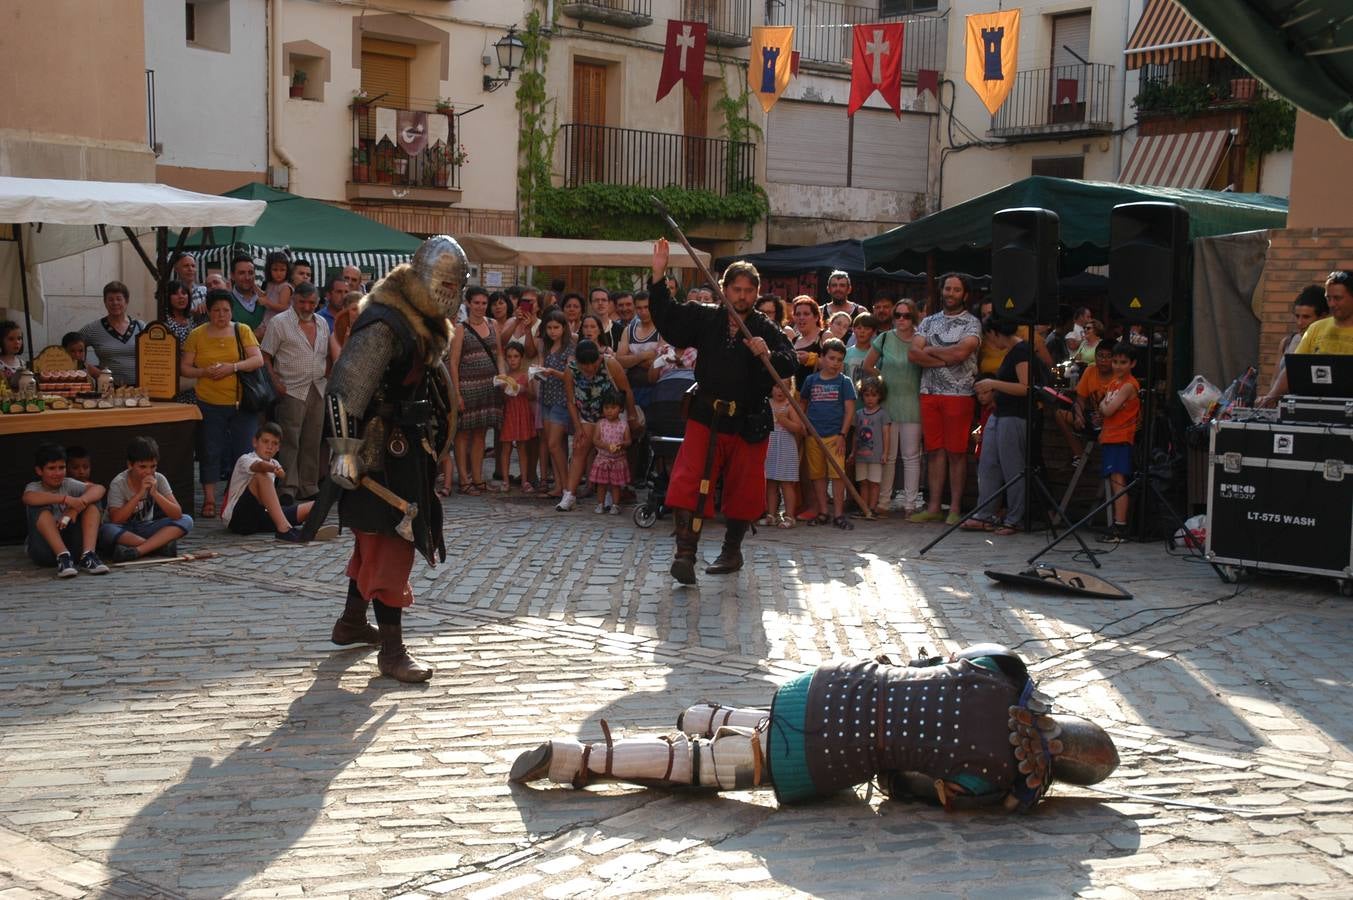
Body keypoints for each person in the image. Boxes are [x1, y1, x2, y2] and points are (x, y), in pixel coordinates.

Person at [509, 644, 1120, 817]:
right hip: (831, 754)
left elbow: (930, 663)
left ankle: (708, 715)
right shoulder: (1002, 783)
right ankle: (576, 758)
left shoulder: (1006, 671)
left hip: (833, 681)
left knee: (793, 721)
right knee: (711, 767)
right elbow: (904, 786)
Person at [317, 235, 463, 683]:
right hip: (377, 454)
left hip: (403, 447)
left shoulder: (417, 318)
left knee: (373, 541)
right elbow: (344, 390)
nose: (452, 294)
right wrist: (344, 452)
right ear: (425, 280)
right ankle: (393, 652)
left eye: (456, 286)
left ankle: (351, 623)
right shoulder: (387, 322)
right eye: (446, 284)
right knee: (391, 544)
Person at [648, 239, 797, 582]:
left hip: (748, 420)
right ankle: (685, 554)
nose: (742, 296)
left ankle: (732, 551)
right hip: (706, 415)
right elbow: (669, 319)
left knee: (744, 490)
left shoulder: (765, 328)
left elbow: (789, 361)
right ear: (724, 289)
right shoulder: (706, 317)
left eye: (748, 291)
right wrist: (658, 274)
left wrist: (768, 354)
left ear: (756, 293)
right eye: (736, 289)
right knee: (689, 483)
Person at [180, 289, 266, 519]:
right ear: (208, 311)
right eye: (216, 310)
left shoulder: (242, 330)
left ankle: (237, 497)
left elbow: (257, 359)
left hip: (241, 403)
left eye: (226, 310)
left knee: (243, 452)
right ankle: (209, 499)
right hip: (209, 402)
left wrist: (232, 367)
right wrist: (203, 372)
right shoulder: (197, 334)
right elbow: (185, 367)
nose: (221, 315)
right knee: (210, 451)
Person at [909, 274, 981, 526]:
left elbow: (962, 353)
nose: (950, 293)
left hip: (959, 394)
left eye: (956, 289)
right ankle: (934, 507)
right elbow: (913, 354)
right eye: (947, 288)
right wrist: (944, 359)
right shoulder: (928, 321)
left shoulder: (972, 323)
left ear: (965, 294)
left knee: (956, 453)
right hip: (929, 392)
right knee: (934, 451)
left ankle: (956, 508)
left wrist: (930, 350)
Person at [964, 317, 1038, 536]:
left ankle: (1014, 518)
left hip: (1015, 415)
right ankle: (984, 514)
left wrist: (993, 383)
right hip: (1000, 413)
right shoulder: (1011, 352)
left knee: (1012, 467)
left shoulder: (1022, 351)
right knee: (988, 464)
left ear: (994, 333)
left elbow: (1026, 387)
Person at [261, 279, 331, 503]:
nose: (307, 307)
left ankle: (308, 485)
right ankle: (288, 487)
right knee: (290, 440)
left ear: (318, 302)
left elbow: (327, 355)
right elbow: (265, 355)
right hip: (291, 388)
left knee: (312, 439)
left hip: (317, 387)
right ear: (293, 300)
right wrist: (275, 382)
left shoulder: (322, 323)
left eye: (312, 303)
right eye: (302, 302)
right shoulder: (279, 322)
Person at [555, 340, 640, 511]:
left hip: (612, 416)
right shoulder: (570, 370)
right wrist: (578, 427)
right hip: (587, 415)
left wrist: (631, 415)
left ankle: (610, 493)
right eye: (585, 365)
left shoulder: (610, 364)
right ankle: (569, 495)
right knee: (579, 449)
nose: (589, 368)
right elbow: (571, 401)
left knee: (612, 454)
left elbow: (626, 390)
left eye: (593, 364)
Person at [862, 298, 923, 514]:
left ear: (913, 317)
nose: (901, 319)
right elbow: (867, 364)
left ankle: (910, 503)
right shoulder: (885, 338)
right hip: (888, 402)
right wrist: (883, 379)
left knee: (911, 456)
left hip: (913, 404)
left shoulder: (921, 340)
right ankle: (884, 502)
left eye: (906, 315)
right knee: (887, 455)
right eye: (897, 315)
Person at [1261, 271, 1353, 405]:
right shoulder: (1316, 328)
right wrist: (1271, 396)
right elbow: (1293, 370)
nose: (1332, 304)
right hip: (1315, 407)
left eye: (1338, 298)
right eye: (1328, 298)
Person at [223, 422, 327, 540]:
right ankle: (284, 529)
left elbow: (282, 474)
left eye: (274, 443)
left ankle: (310, 529)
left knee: (315, 505)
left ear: (278, 448)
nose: (269, 447)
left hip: (262, 515)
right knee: (261, 475)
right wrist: (273, 469)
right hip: (239, 518)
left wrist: (278, 470)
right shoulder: (245, 459)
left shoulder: (275, 463)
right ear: (255, 442)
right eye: (265, 441)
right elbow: (259, 466)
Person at [450, 286, 505, 496]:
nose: (480, 307)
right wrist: (457, 394)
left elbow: (499, 354)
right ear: (468, 303)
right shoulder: (460, 329)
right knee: (463, 435)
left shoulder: (493, 324)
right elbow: (453, 363)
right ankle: (465, 480)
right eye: (476, 303)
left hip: (488, 388)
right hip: (467, 388)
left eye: (484, 303)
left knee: (481, 434)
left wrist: (502, 377)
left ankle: (478, 478)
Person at [103, 436, 194, 561]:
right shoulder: (119, 483)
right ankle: (158, 547)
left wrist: (155, 494)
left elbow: (177, 514)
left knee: (187, 520)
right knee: (106, 530)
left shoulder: (159, 478)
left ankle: (138, 550)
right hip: (122, 529)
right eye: (142, 467)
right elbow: (116, 519)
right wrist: (139, 494)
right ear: (130, 465)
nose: (148, 472)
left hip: (145, 526)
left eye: (153, 466)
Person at [24, 443, 110, 576]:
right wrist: (65, 499)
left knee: (92, 501)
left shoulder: (68, 483)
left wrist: (75, 508)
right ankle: (63, 557)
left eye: (61, 467)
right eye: (51, 468)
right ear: (39, 471)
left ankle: (88, 556)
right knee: (37, 506)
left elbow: (99, 488)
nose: (58, 473)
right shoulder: (34, 487)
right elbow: (28, 498)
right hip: (45, 551)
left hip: (74, 549)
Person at [802, 339, 857, 530]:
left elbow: (849, 410)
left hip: (835, 436)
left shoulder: (844, 382)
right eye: (831, 358)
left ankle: (839, 514)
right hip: (814, 436)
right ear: (822, 358)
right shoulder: (811, 380)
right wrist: (804, 425)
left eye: (839, 360)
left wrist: (843, 434)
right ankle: (823, 511)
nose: (835, 363)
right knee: (817, 475)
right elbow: (803, 404)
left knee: (838, 475)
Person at [1097, 343, 1141, 544]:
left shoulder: (1129, 385)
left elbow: (1107, 409)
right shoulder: (1114, 383)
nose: (1118, 366)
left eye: (1123, 362)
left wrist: (1104, 406)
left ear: (1132, 363)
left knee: (1118, 482)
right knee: (1114, 480)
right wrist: (1104, 406)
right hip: (1110, 435)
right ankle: (1117, 523)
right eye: (1115, 362)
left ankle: (1120, 526)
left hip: (1121, 437)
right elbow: (1103, 405)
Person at [536, 309, 576, 502]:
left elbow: (570, 375)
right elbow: (541, 368)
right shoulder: (545, 346)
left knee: (553, 443)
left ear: (563, 328)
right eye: (549, 328)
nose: (552, 331)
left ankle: (568, 486)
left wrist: (552, 372)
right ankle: (560, 485)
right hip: (546, 398)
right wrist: (538, 372)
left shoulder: (569, 348)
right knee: (555, 445)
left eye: (556, 327)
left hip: (561, 399)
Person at [1263, 285, 1328, 400]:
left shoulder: (1330, 343)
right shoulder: (1287, 342)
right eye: (1297, 316)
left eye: (1306, 317)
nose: (1299, 322)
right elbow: (1275, 380)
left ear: (1322, 317)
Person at [1057, 342, 1113, 463]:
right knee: (1060, 414)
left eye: (1108, 356)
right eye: (1100, 356)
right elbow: (1080, 399)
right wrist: (1079, 415)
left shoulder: (1119, 375)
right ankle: (1079, 455)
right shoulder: (1090, 370)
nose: (1103, 360)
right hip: (1093, 419)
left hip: (1112, 422)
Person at [81, 281, 145, 386]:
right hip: (107, 389)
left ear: (126, 301)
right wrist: (88, 368)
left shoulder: (141, 327)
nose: (115, 303)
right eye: (110, 299)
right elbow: (69, 350)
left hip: (139, 389)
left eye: (119, 299)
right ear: (105, 302)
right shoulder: (93, 329)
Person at [760, 382, 803, 528]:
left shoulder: (790, 405)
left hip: (785, 448)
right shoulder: (767, 403)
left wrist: (784, 421)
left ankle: (790, 516)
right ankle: (771, 514)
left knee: (786, 483)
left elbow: (798, 427)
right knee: (770, 482)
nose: (780, 390)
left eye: (784, 387)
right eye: (777, 386)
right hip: (770, 447)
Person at [497, 343, 537, 494]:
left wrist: (523, 389)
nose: (512, 360)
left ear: (521, 358)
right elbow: (502, 399)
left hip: (522, 412)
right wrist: (503, 388)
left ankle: (524, 480)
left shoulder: (526, 375)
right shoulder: (504, 377)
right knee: (506, 447)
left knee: (522, 447)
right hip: (509, 413)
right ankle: (505, 480)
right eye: (509, 357)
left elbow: (532, 395)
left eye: (516, 356)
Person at [852, 376, 892, 520]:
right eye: (867, 395)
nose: (870, 398)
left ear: (880, 396)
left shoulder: (882, 414)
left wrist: (885, 453)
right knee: (863, 482)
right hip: (861, 455)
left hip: (876, 456)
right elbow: (856, 434)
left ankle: (873, 508)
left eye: (874, 395)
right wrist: (853, 452)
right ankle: (864, 508)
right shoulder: (858, 414)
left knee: (874, 483)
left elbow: (886, 435)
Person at [587, 391, 631, 515]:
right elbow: (595, 440)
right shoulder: (601, 424)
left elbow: (628, 441)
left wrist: (621, 445)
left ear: (620, 408)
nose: (609, 411)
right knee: (601, 484)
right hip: (603, 459)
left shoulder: (623, 425)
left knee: (616, 485)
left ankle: (615, 505)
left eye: (613, 408)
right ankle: (600, 504)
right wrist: (606, 446)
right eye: (606, 408)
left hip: (618, 460)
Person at [259, 250, 294, 337]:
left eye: (282, 270)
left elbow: (283, 307)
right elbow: (265, 295)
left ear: (287, 271)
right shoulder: (269, 284)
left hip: (280, 324)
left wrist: (267, 303)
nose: (279, 273)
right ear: (269, 270)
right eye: (275, 269)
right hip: (267, 320)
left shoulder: (285, 287)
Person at [228, 255, 266, 335]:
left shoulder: (266, 298)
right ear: (232, 276)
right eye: (242, 273)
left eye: (251, 273)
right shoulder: (226, 301)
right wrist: (252, 335)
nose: (247, 277)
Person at [171, 252, 208, 317]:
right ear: (176, 269)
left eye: (193, 266)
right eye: (186, 266)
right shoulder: (170, 292)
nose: (190, 269)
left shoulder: (204, 291)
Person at [844, 313, 879, 380]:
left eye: (867, 329)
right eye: (859, 328)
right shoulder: (846, 353)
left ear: (874, 332)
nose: (862, 331)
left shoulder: (876, 355)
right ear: (853, 330)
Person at [0, 319, 24, 388]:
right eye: (11, 339)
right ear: (1, 341)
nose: (17, 342)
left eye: (19, 338)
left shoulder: (22, 364)